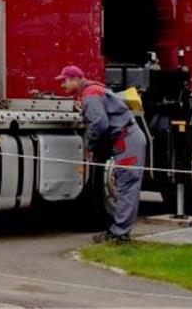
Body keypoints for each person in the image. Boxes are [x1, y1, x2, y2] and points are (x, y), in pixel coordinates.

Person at [56, 65, 146, 244]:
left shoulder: (90, 95)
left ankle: (120, 235)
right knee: (127, 187)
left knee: (127, 187)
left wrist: (90, 147)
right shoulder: (92, 91)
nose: (62, 85)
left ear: (76, 79)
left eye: (65, 80)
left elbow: (99, 124)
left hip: (127, 142)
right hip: (127, 140)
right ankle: (119, 232)